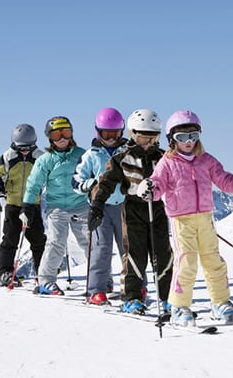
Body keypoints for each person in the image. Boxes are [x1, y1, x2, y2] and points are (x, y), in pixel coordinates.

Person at [137, 110, 233, 326]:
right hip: (181, 219)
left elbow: (225, 181)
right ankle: (179, 306)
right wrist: (148, 188)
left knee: (214, 260)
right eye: (182, 137)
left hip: (205, 217)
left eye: (193, 136)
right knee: (187, 262)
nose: (188, 142)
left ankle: (220, 302)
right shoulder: (167, 162)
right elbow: (158, 185)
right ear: (171, 140)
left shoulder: (206, 160)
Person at [88, 108, 173, 315]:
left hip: (158, 208)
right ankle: (131, 297)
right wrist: (98, 205)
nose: (148, 143)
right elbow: (106, 182)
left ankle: (168, 298)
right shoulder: (122, 157)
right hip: (133, 208)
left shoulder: (164, 157)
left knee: (163, 254)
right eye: (143, 138)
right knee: (135, 254)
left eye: (153, 138)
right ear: (133, 134)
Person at [21, 116, 90, 295]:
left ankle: (101, 280)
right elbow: (34, 184)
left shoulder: (81, 155)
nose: (62, 139)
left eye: (65, 133)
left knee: (90, 242)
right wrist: (27, 206)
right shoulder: (46, 160)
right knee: (56, 242)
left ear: (71, 134)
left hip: (81, 204)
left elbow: (94, 176)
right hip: (57, 207)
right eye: (57, 135)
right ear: (50, 138)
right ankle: (46, 281)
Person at [72, 108, 128, 305]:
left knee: (129, 249)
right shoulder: (91, 155)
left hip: (125, 207)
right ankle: (97, 290)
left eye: (115, 133)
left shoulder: (128, 151)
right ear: (98, 132)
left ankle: (134, 287)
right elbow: (76, 180)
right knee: (101, 248)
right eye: (107, 133)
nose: (111, 138)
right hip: (100, 208)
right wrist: (88, 185)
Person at [0, 124, 46, 286]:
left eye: (28, 148)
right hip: (13, 204)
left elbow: (47, 175)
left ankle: (42, 272)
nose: (25, 151)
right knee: (10, 239)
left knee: (38, 240)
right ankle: (5, 272)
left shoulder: (40, 157)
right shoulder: (8, 156)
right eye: (21, 148)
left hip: (33, 205)